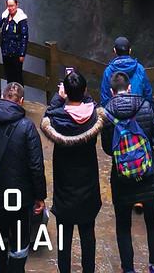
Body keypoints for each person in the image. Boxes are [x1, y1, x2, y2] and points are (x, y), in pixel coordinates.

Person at [41, 68, 106, 273]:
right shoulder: (94, 118)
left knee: (64, 237)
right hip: (87, 187)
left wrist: (59, 97)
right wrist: (82, 92)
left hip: (64, 189)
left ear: (66, 93)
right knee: (88, 235)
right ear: (85, 90)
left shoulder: (57, 120)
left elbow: (48, 115)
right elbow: (95, 106)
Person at [0, 81, 46, 273]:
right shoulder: (27, 127)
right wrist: (39, 196)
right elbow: (36, 166)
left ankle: (1, 269)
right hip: (20, 197)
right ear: (21, 101)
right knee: (19, 241)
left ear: (2, 96)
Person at [101, 70, 154, 273]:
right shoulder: (145, 106)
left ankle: (128, 269)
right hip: (149, 175)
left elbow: (106, 148)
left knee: (123, 226)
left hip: (122, 177)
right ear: (129, 87)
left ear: (112, 91)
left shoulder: (106, 114)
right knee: (153, 222)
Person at [100, 36, 154, 107]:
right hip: (137, 112)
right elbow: (148, 94)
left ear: (115, 51)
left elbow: (105, 98)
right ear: (130, 51)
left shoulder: (108, 71)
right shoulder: (139, 69)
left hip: (116, 115)